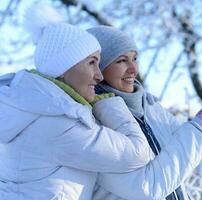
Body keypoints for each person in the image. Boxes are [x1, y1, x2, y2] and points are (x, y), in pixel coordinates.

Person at [88, 26, 202, 200]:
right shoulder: (95, 121)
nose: (133, 68)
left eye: (135, 58)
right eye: (121, 60)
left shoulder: (151, 108)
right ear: (98, 69)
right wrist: (199, 127)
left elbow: (200, 149)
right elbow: (147, 188)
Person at [0, 5, 155, 200]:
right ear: (64, 68)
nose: (99, 76)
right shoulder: (59, 125)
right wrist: (109, 102)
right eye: (92, 63)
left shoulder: (29, 108)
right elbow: (138, 153)